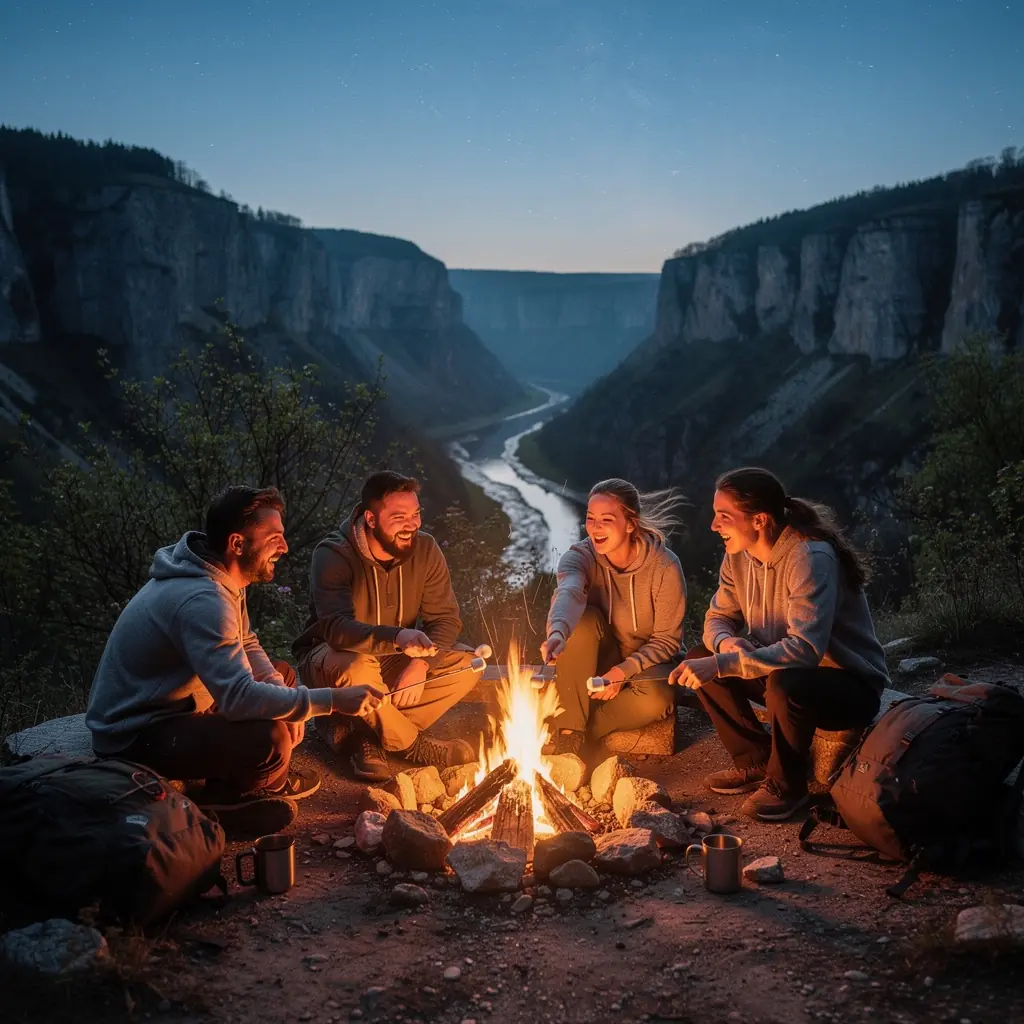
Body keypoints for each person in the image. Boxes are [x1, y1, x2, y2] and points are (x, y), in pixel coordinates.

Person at [86, 486, 384, 834]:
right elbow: (240, 698)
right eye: (274, 538)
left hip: (178, 704)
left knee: (283, 675)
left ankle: (248, 778)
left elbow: (246, 641)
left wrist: (276, 687)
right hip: (135, 734)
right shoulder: (203, 599)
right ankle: (223, 806)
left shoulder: (221, 576)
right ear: (237, 544)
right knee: (269, 739)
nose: (284, 548)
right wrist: (331, 700)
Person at [670, 467, 889, 821]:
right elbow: (717, 618)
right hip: (783, 674)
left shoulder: (809, 557)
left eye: (723, 517)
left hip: (847, 685)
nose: (713, 526)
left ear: (759, 520)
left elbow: (805, 650)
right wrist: (726, 647)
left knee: (784, 682)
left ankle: (788, 787)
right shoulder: (738, 556)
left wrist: (726, 664)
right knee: (700, 657)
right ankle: (756, 761)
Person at [294, 470, 478, 782]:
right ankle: (411, 744)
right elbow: (337, 630)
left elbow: (446, 619)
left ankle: (359, 734)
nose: (412, 524)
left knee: (470, 665)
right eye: (399, 516)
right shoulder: (334, 554)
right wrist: (399, 637)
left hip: (393, 659)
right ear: (370, 518)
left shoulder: (426, 549)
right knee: (356, 667)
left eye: (416, 514)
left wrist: (420, 663)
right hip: (332, 658)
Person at [539, 478, 687, 758]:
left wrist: (622, 673)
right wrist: (557, 631)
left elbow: (668, 641)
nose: (595, 528)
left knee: (657, 699)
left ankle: (584, 730)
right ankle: (570, 737)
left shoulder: (664, 566)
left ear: (630, 524)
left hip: (649, 665)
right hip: (601, 658)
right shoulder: (579, 557)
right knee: (580, 623)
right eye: (590, 518)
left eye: (606, 519)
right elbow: (568, 591)